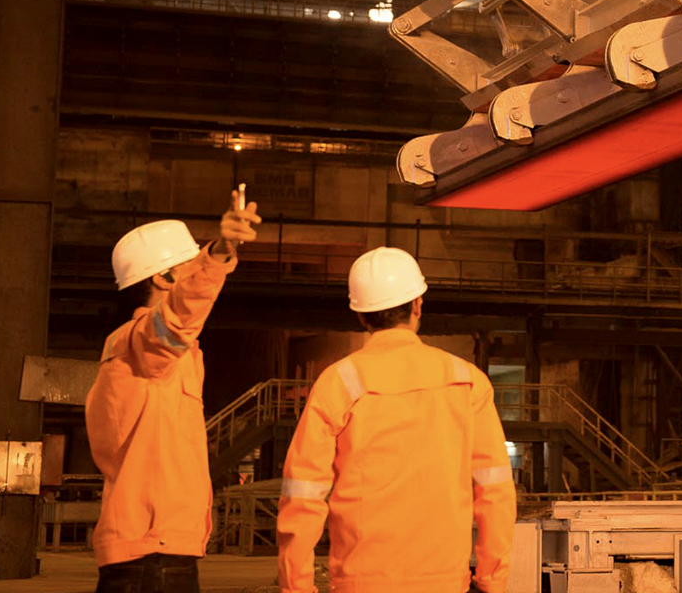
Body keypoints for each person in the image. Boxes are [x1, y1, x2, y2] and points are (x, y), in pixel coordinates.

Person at [276, 247, 516, 593]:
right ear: (418, 304)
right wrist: (492, 581)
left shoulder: (338, 383)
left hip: (361, 583)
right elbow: (495, 492)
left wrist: (296, 587)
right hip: (444, 582)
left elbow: (302, 496)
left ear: (361, 316)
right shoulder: (467, 381)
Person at [85, 188, 262, 593]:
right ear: (163, 277)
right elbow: (179, 318)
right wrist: (218, 255)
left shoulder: (141, 353)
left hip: (151, 552)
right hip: (152, 559)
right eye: (189, 267)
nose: (199, 276)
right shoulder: (144, 343)